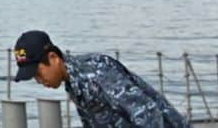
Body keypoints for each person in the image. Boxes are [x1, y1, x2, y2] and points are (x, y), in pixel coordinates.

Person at [12, 30, 188, 127]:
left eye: (38, 73)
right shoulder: (73, 84)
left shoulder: (96, 72)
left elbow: (147, 114)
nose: (39, 80)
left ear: (53, 58)